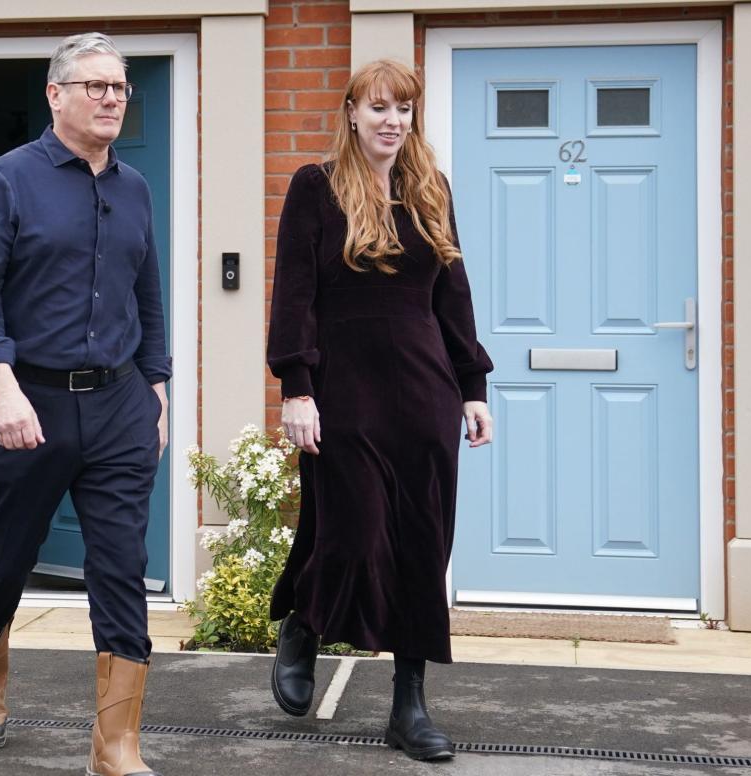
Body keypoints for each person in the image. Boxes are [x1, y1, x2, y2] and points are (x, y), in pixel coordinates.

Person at [266, 59, 494, 761]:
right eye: (380, 107)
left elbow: (451, 297)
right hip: (347, 394)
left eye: (404, 109)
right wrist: (297, 387)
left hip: (425, 394)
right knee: (354, 532)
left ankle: (409, 705)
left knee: (423, 547)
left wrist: (473, 386)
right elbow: (294, 294)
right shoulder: (317, 188)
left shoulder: (430, 190)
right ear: (352, 113)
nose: (392, 121)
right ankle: (305, 621)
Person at [0, 32, 169, 776]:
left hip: (117, 406)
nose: (112, 98)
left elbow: (148, 294)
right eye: (96, 86)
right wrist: (2, 383)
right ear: (57, 95)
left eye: (120, 88)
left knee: (120, 564)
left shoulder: (134, 189)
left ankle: (116, 746)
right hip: (28, 400)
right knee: (6, 556)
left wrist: (158, 388)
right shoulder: (9, 180)